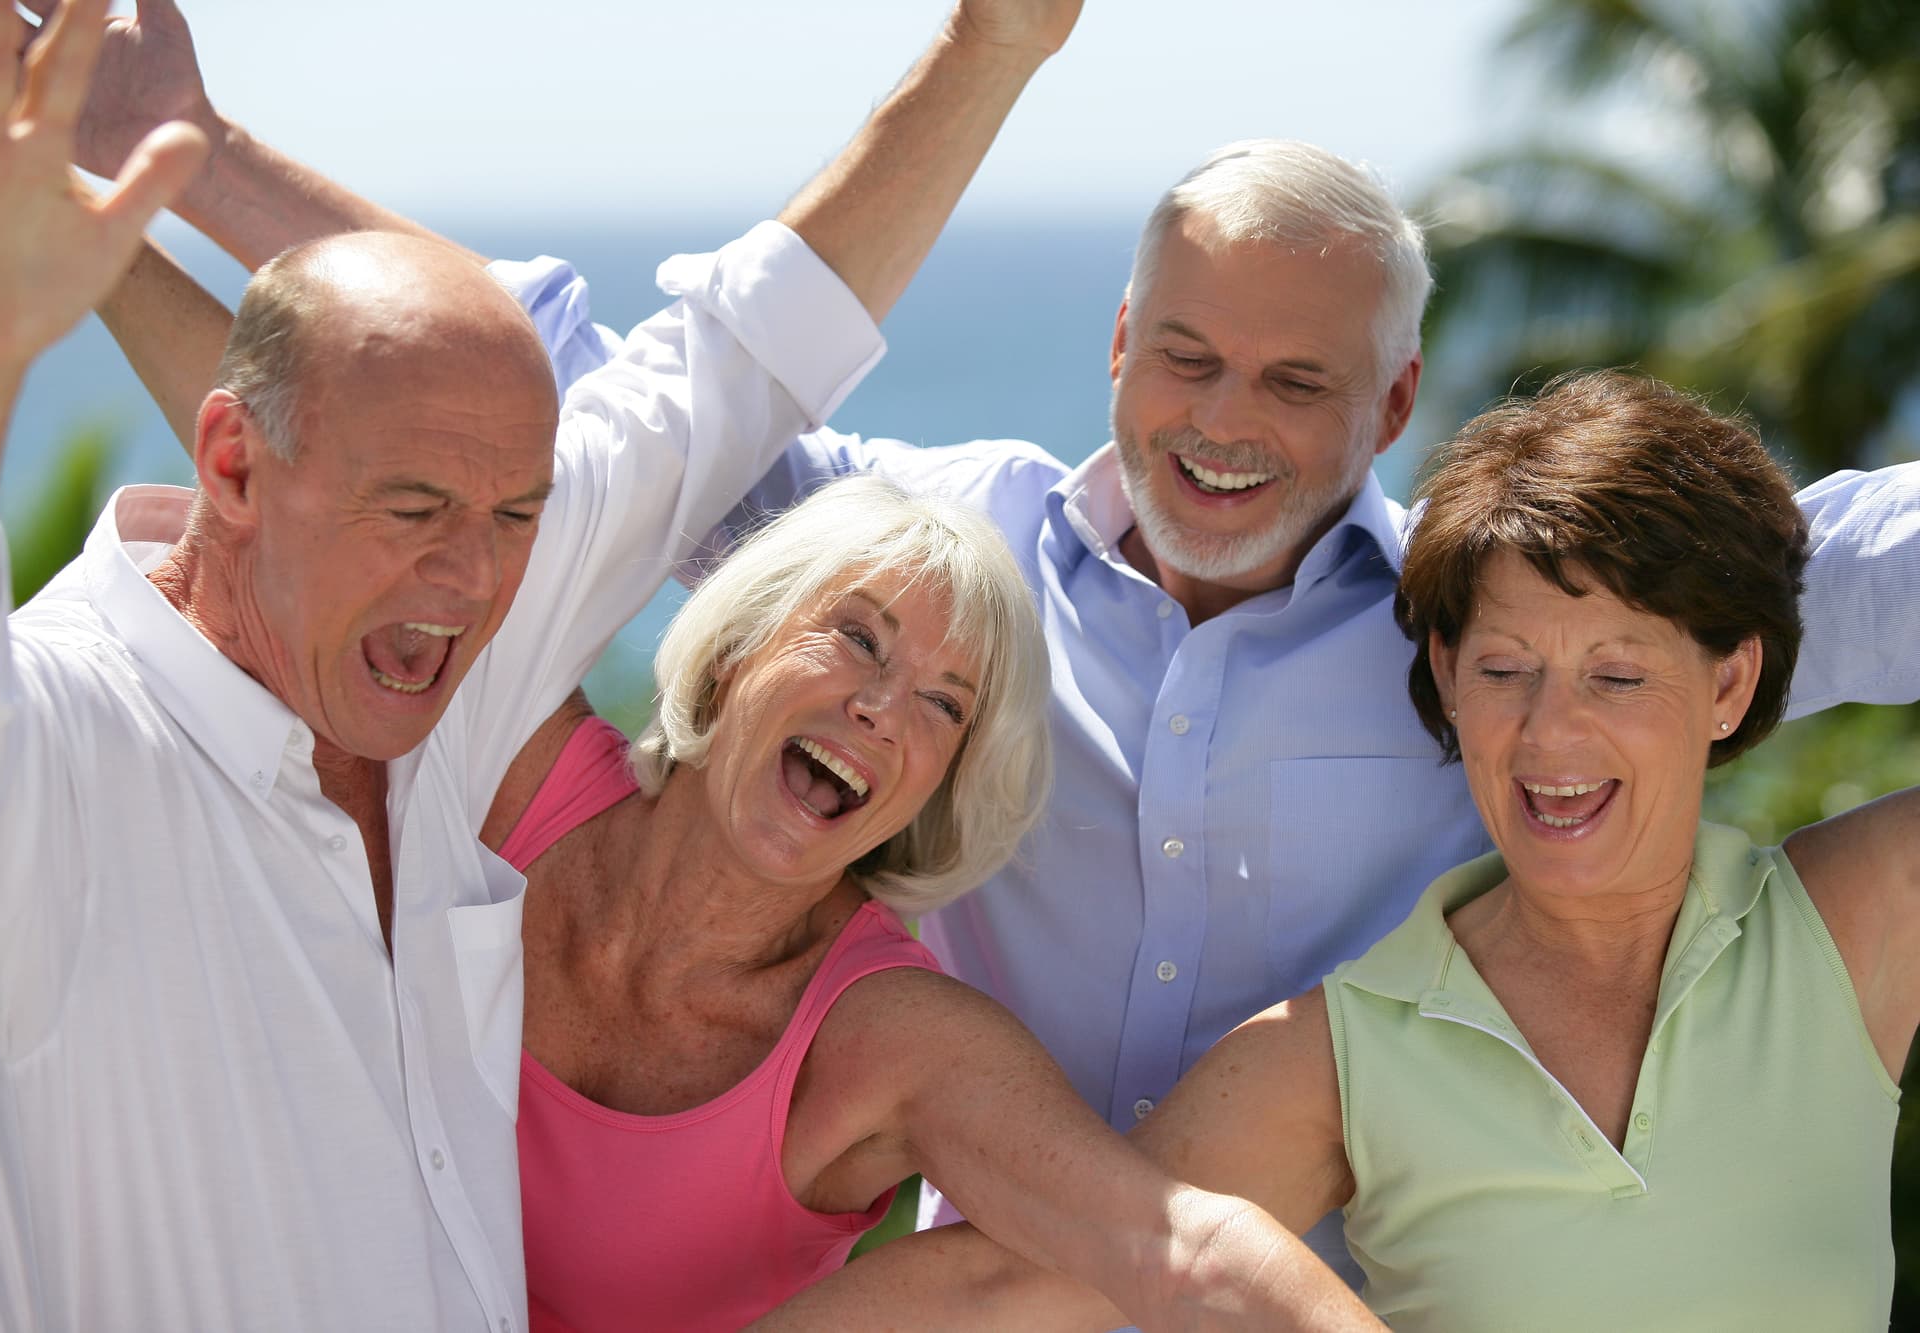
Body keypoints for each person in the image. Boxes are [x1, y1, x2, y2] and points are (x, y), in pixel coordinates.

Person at [516, 137, 1920, 1261]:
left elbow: (1850, 577)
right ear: (1121, 338)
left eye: (1296, 380)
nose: (1223, 420)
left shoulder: (1494, 636)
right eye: (1186, 356)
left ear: (1391, 405)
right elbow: (580, 416)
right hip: (997, 1301)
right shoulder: (942, 553)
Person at [0, 0, 1076, 1326]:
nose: (475, 576)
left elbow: (730, 369)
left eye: (516, 514)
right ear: (232, 466)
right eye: (415, 511)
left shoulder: (447, 691)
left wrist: (995, 42)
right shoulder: (64, 736)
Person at [753, 370, 1912, 1330]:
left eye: (1615, 675)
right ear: (1448, 677)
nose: (1549, 734)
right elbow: (1009, 1284)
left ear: (1728, 683)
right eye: (1504, 671)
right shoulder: (1338, 1050)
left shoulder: (1846, 926)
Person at [478, 474, 1378, 1331]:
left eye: (944, 706)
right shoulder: (511, 774)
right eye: (861, 639)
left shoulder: (892, 1042)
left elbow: (1173, 1240)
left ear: (937, 789)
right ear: (735, 644)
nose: (880, 708)